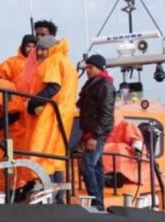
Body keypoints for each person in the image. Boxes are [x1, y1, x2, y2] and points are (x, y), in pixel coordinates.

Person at [24, 35, 78, 200]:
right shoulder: (67, 63)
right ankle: (58, 198)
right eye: (38, 49)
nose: (39, 53)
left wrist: (33, 103)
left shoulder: (53, 61)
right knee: (56, 160)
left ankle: (49, 197)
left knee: (44, 154)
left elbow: (53, 87)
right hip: (64, 114)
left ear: (51, 48)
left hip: (52, 114)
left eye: (43, 49)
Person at [76, 55, 115, 210]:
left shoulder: (105, 86)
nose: (87, 71)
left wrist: (95, 136)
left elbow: (107, 114)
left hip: (96, 133)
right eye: (86, 68)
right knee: (96, 167)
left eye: (90, 68)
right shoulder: (91, 85)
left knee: (87, 165)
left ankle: (96, 200)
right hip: (89, 132)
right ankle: (99, 199)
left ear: (100, 68)